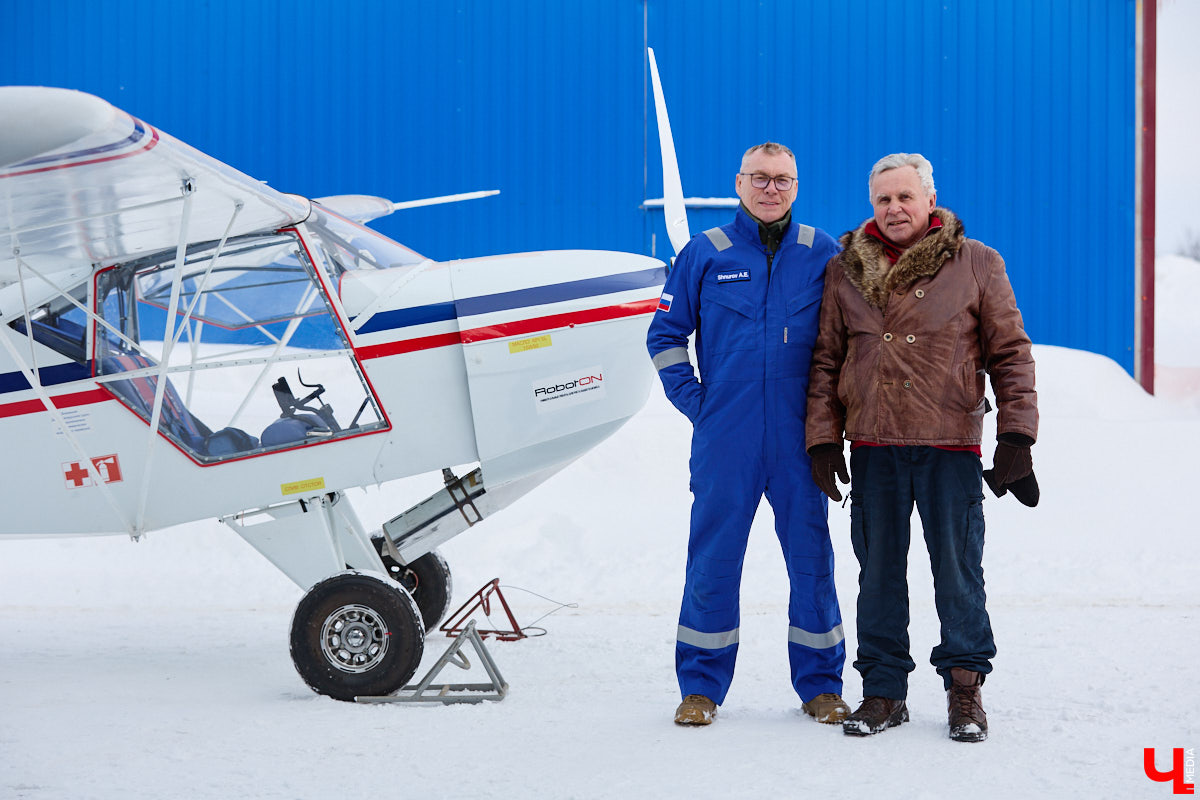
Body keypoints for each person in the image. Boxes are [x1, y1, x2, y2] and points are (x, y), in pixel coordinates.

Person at [805, 153, 1038, 743]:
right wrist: (824, 438)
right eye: (883, 199)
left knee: (957, 574)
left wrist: (1017, 435)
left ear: (930, 200)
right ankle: (884, 691)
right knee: (878, 574)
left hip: (949, 443)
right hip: (875, 445)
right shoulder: (845, 269)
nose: (895, 209)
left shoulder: (976, 262)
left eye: (906, 197)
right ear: (871, 205)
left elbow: (1010, 353)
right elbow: (827, 359)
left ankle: (965, 688)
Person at [647, 142, 848, 727]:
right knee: (712, 560)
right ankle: (701, 687)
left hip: (799, 439)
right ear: (738, 184)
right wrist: (699, 406)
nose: (771, 189)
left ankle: (821, 686)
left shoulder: (823, 253)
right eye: (759, 178)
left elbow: (848, 344)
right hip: (726, 438)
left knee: (812, 561)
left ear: (797, 184)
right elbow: (664, 338)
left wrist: (832, 419)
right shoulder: (704, 254)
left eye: (782, 179)